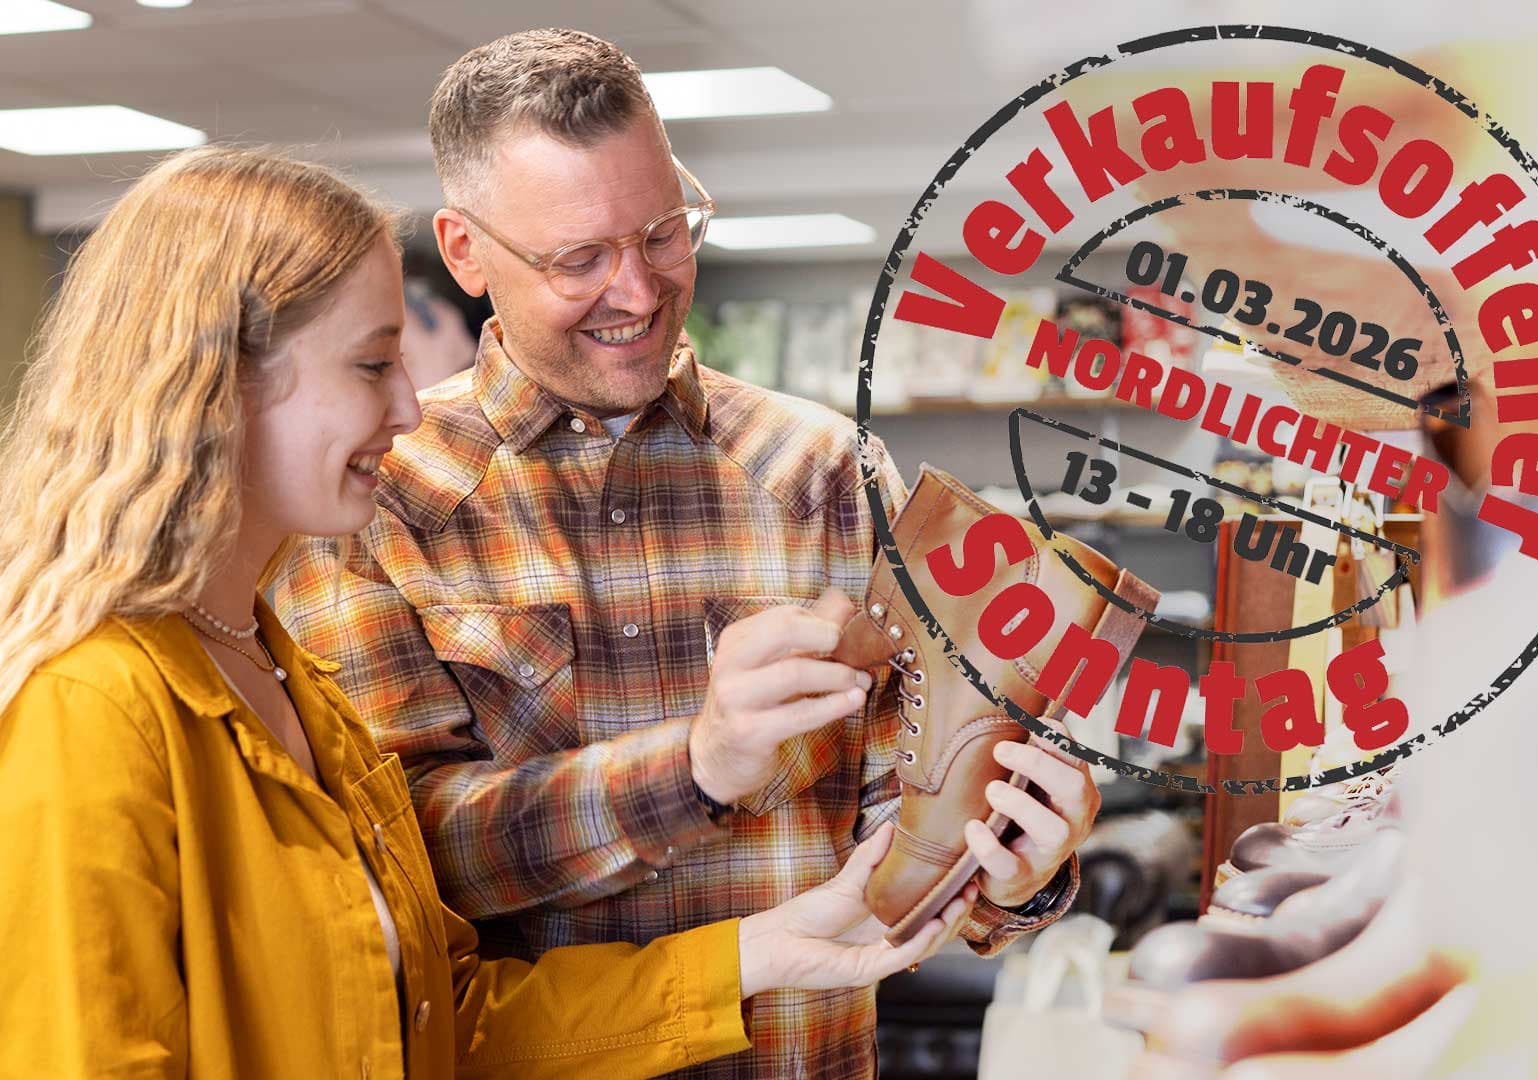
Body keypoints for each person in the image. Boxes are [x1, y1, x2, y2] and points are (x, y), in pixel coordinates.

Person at [0, 145, 970, 1080]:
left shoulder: (282, 681)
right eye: (371, 365)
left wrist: (762, 953)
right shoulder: (84, 715)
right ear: (219, 386)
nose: (408, 408)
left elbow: (448, 1026)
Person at [275, 29, 1102, 1076]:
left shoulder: (828, 471)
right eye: (578, 259)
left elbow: (910, 815)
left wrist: (1007, 865)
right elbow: (399, 872)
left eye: (664, 233)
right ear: (465, 250)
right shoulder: (371, 497)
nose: (637, 290)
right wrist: (698, 766)